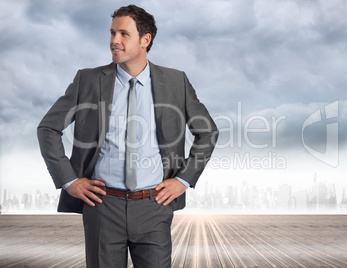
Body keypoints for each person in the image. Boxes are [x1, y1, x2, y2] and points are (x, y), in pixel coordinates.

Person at [37, 4, 218, 268]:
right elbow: (48, 128)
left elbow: (207, 132)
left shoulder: (176, 81)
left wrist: (183, 180)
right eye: (112, 33)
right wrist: (70, 181)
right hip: (102, 206)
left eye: (123, 34)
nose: (114, 41)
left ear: (146, 40)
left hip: (154, 206)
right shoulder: (87, 80)